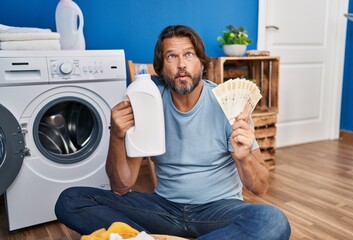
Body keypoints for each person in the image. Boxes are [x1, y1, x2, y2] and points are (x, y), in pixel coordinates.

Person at [55, 25, 291, 239]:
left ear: (201, 62)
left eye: (188, 54)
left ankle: (143, 238)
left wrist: (245, 157)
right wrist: (116, 136)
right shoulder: (148, 103)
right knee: (70, 200)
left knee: (273, 221)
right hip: (164, 209)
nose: (181, 64)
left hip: (218, 211)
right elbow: (121, 186)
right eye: (171, 56)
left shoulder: (228, 103)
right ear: (161, 68)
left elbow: (260, 187)